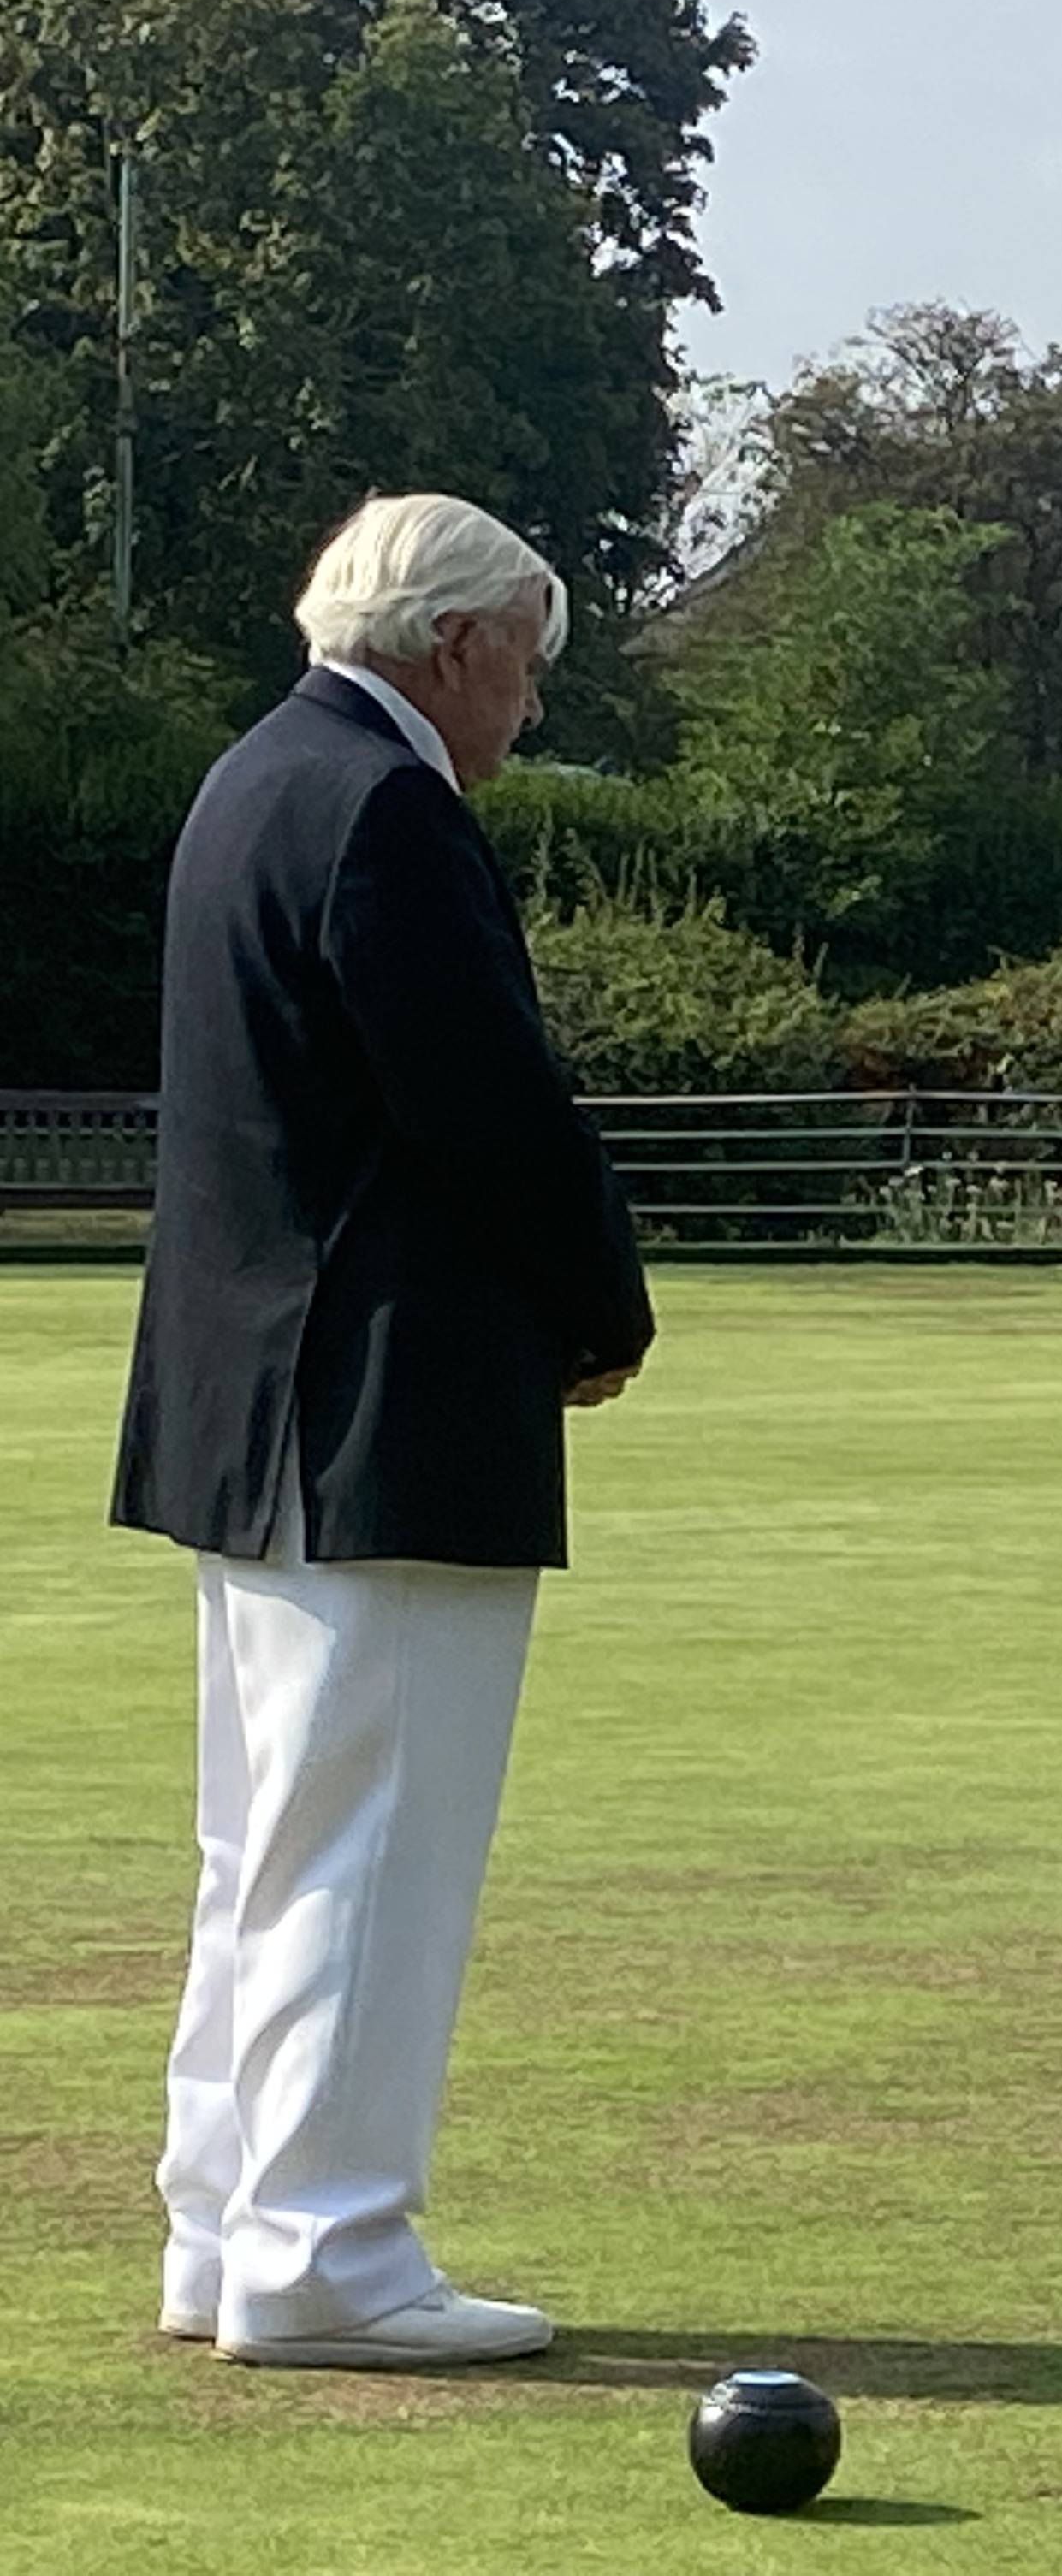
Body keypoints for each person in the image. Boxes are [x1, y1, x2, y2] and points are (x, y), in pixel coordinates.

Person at [113, 493, 655, 2365]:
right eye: (526, 659)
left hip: (255, 1408)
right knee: (369, 1841)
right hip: (383, 1412)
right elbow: (489, 1108)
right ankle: (325, 2254)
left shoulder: (253, 779)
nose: (530, 700)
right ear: (453, 645)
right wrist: (604, 1310)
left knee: (267, 1838)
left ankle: (226, 2223)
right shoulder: (388, 812)